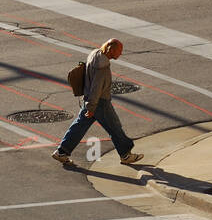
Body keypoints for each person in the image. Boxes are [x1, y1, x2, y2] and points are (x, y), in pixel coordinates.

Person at [52, 39, 144, 167]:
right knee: (115, 127)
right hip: (99, 102)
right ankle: (125, 155)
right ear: (110, 50)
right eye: (119, 51)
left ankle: (62, 152)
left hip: (89, 99)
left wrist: (89, 104)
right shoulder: (102, 66)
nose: (120, 54)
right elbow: (97, 87)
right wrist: (92, 106)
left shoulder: (95, 54)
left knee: (79, 126)